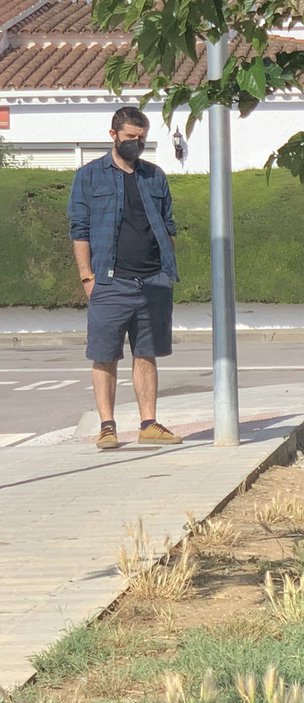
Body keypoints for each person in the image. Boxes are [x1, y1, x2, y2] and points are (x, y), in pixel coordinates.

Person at [69, 106, 181, 450]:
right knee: (104, 354)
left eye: (142, 137)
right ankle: (107, 426)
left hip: (152, 281)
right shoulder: (89, 176)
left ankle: (148, 423)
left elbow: (168, 224)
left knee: (146, 354)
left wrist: (164, 271)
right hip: (109, 281)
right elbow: (80, 230)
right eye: (131, 137)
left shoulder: (154, 175)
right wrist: (87, 277)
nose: (137, 143)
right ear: (113, 135)